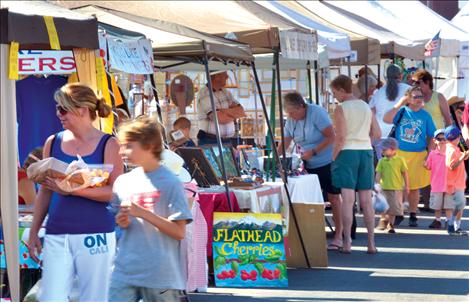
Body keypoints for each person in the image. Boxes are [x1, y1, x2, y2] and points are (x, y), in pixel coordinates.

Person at [27, 83, 124, 302]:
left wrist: (72, 190)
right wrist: (34, 231)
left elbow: (116, 193)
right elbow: (44, 191)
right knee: (51, 297)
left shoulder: (109, 144)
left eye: (62, 109)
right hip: (57, 233)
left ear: (81, 110)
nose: (58, 114)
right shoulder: (53, 142)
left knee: (95, 298)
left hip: (95, 234)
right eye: (57, 108)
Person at [109, 116, 192, 301]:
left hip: (161, 276)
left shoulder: (171, 183)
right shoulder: (123, 182)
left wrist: (143, 213)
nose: (122, 151)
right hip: (124, 270)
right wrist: (121, 221)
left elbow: (179, 232)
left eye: (129, 145)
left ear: (149, 146)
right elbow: (118, 223)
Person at [277, 91, 343, 250]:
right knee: (311, 199)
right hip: (307, 163)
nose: (291, 116)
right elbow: (285, 142)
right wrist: (275, 159)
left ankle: (340, 235)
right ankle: (312, 234)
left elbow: (331, 136)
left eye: (293, 112)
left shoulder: (317, 113)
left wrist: (313, 152)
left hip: (327, 160)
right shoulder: (291, 120)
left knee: (334, 198)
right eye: (288, 113)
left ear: (302, 107)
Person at [330, 75, 381, 254]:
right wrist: (365, 142)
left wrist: (334, 156)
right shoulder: (366, 106)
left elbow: (341, 137)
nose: (334, 95)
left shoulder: (341, 108)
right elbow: (377, 133)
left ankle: (347, 241)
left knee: (348, 200)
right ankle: (371, 242)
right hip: (365, 151)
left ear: (341, 90)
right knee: (367, 200)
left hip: (347, 152)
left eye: (334, 92)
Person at [383, 86, 436, 227]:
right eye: (415, 97)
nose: (419, 99)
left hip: (418, 155)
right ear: (408, 99)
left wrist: (430, 154)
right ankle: (398, 212)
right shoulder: (402, 112)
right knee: (398, 186)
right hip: (399, 154)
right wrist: (400, 103)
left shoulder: (426, 115)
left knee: (413, 188)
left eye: (420, 97)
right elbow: (386, 118)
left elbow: (432, 136)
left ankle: (413, 214)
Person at [369, 64, 411, 159]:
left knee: (384, 166)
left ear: (386, 77)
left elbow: (371, 112)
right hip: (402, 134)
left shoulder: (378, 93)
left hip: (381, 134)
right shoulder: (408, 90)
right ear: (401, 75)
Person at [196, 70, 245, 146]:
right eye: (224, 74)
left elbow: (241, 112)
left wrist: (223, 111)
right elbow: (219, 118)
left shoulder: (226, 92)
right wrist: (234, 114)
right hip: (210, 141)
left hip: (226, 141)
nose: (227, 76)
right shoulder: (204, 94)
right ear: (216, 76)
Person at [375, 137, 409, 233]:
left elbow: (404, 173)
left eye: (385, 149)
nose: (383, 151)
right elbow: (378, 173)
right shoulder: (382, 161)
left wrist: (407, 185)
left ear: (393, 150)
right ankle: (383, 220)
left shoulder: (400, 160)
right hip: (384, 188)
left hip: (396, 188)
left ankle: (391, 224)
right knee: (383, 207)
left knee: (393, 208)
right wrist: (377, 184)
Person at [444, 125, 469, 235]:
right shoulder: (450, 150)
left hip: (459, 182)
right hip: (453, 183)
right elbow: (451, 165)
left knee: (460, 205)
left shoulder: (455, 148)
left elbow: (461, 158)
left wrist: (464, 155)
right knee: (458, 205)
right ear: (456, 138)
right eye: (459, 137)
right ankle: (450, 225)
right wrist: (461, 158)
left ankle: (456, 226)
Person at [425, 129, 452, 229]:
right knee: (437, 206)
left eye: (444, 138)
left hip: (449, 184)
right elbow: (428, 166)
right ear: (434, 140)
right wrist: (425, 164)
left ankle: (449, 221)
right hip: (436, 184)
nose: (442, 141)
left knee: (449, 205)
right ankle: (437, 220)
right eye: (439, 139)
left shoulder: (451, 153)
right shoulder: (432, 154)